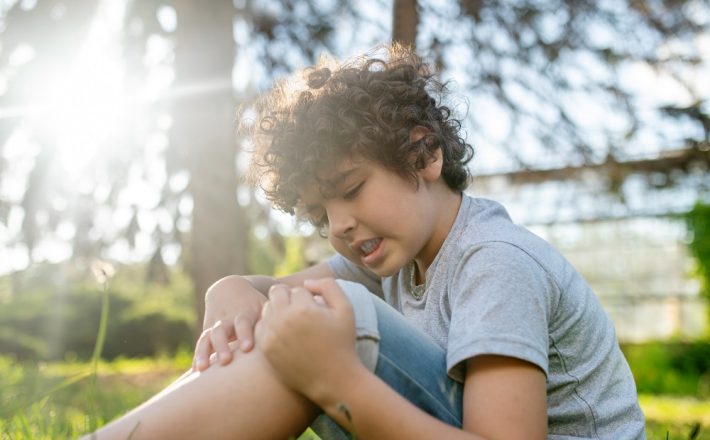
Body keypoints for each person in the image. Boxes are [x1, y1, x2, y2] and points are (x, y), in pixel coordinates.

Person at [87, 43, 646, 440]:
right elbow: (268, 293)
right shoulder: (389, 260)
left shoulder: (495, 262)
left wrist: (336, 379)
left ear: (425, 154)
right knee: (297, 313)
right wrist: (231, 290)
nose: (339, 226)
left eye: (350, 189)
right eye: (319, 213)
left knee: (331, 318)